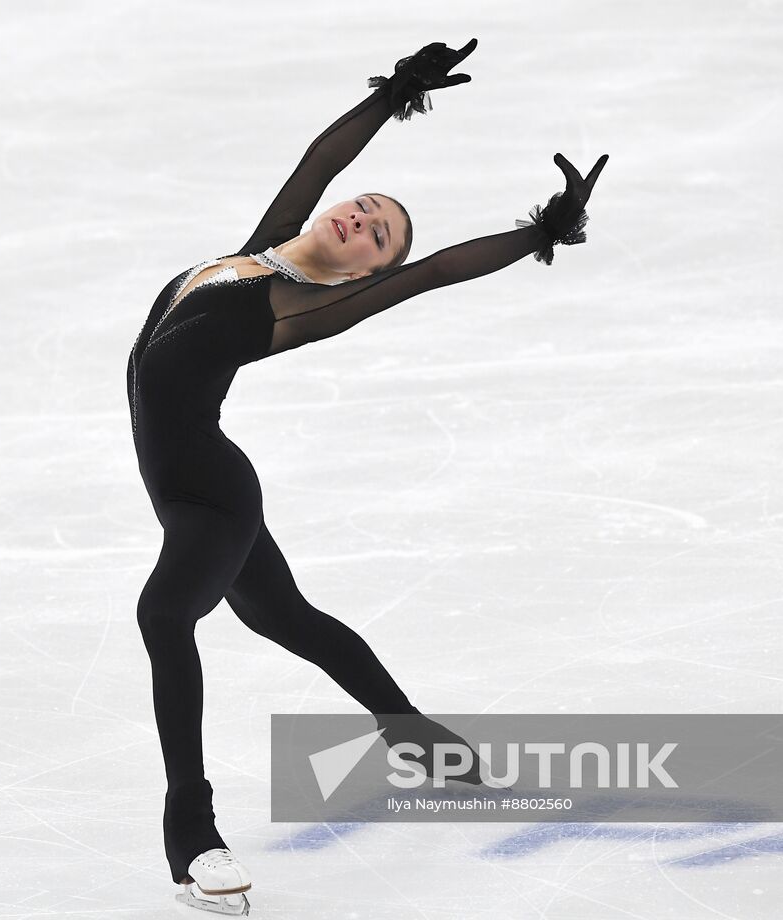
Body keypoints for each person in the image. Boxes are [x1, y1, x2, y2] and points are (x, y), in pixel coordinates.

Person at [125, 39, 608, 915]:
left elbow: (431, 275)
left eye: (376, 234)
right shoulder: (258, 255)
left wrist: (540, 231)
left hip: (211, 498)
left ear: (364, 272)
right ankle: (420, 742)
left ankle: (190, 834)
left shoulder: (301, 306)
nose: (359, 217)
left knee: (164, 615)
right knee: (288, 619)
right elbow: (319, 162)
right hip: (190, 488)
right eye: (364, 207)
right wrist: (397, 95)